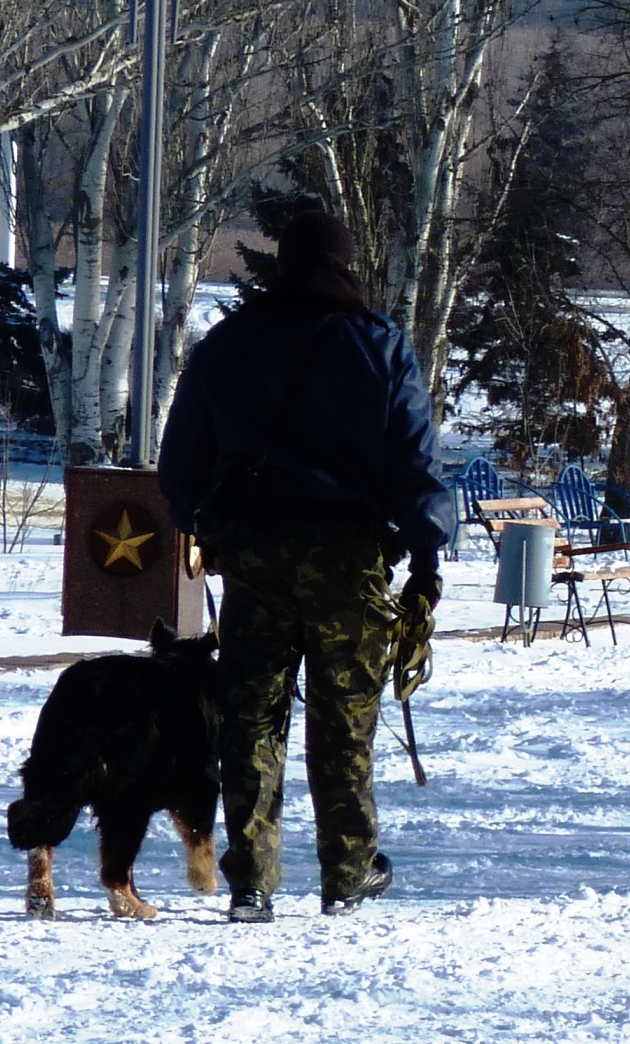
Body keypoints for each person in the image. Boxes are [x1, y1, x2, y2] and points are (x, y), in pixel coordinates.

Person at [158, 210, 445, 921]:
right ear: (346, 265)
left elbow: (180, 465)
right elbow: (414, 460)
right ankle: (347, 874)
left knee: (250, 717)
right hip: (352, 560)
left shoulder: (227, 345)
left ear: (285, 265)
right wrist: (429, 554)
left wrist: (205, 525)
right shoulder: (379, 345)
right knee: (345, 719)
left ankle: (251, 878)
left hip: (255, 557)